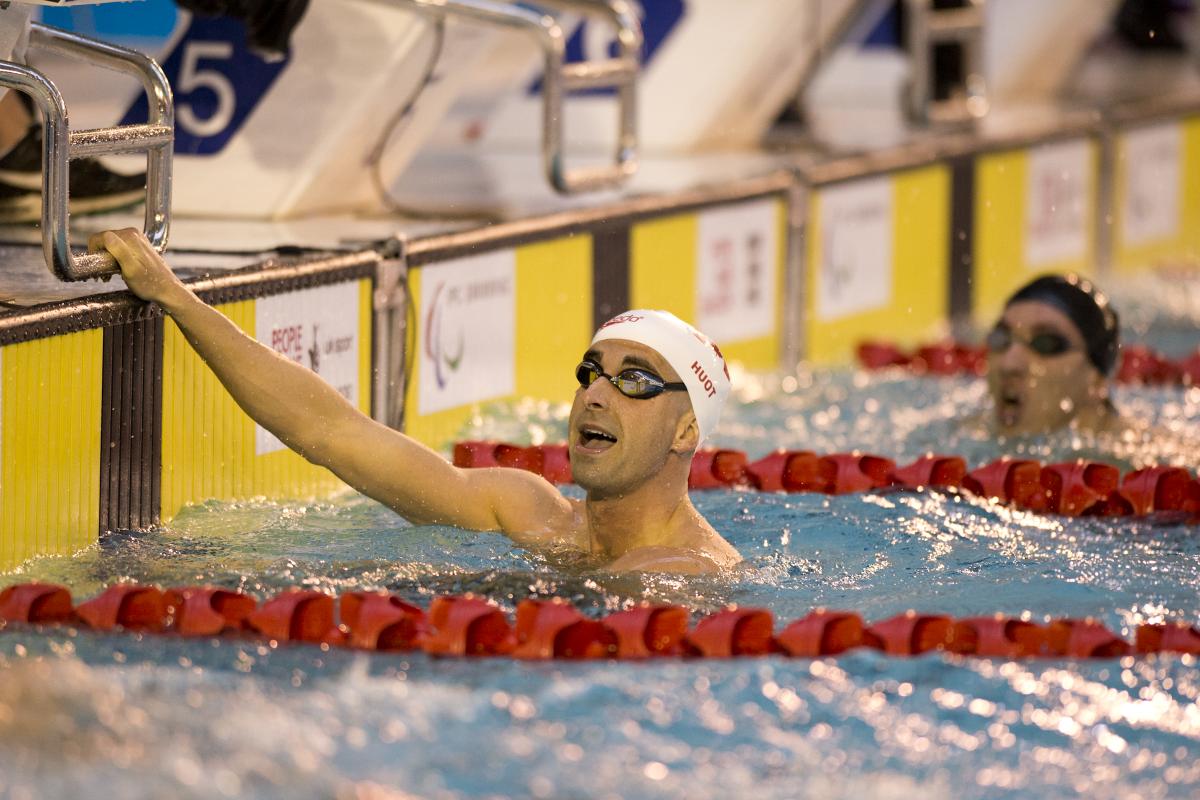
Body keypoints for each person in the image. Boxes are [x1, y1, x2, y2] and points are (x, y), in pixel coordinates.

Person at [92, 228, 743, 575]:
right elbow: (332, 432)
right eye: (591, 372)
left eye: (634, 381)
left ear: (687, 430)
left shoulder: (685, 574)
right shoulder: (526, 509)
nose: (596, 396)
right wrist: (176, 298)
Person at [985, 273, 1122, 436]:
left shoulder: (1136, 454)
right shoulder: (968, 432)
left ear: (1098, 382)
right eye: (1001, 339)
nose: (1009, 364)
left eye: (1045, 344)